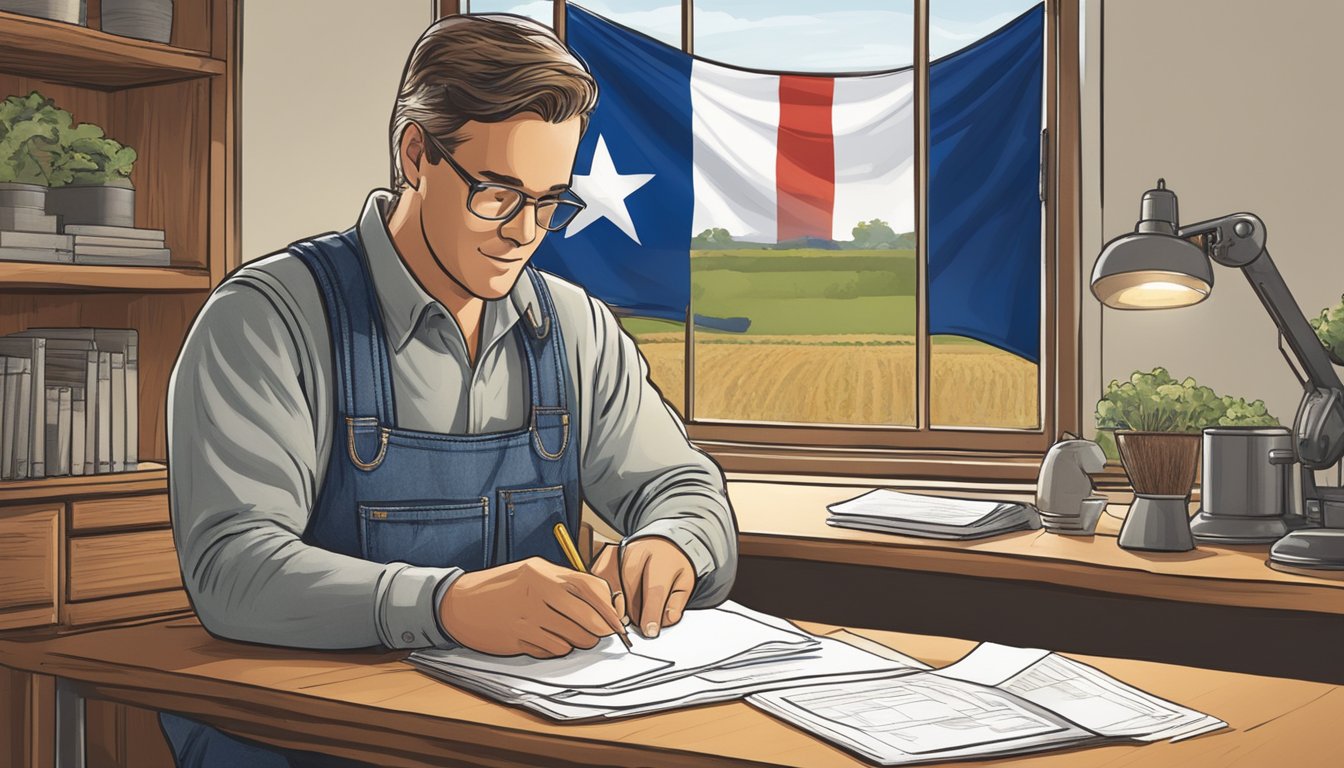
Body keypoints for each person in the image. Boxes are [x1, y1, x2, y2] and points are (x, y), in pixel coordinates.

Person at [160, 13, 738, 766]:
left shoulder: (575, 329)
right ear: (416, 154)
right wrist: (446, 607)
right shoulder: (268, 320)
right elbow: (231, 570)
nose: (523, 232)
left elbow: (685, 486)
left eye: (549, 202)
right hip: (304, 741)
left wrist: (672, 542)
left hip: (507, 737)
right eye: (496, 193)